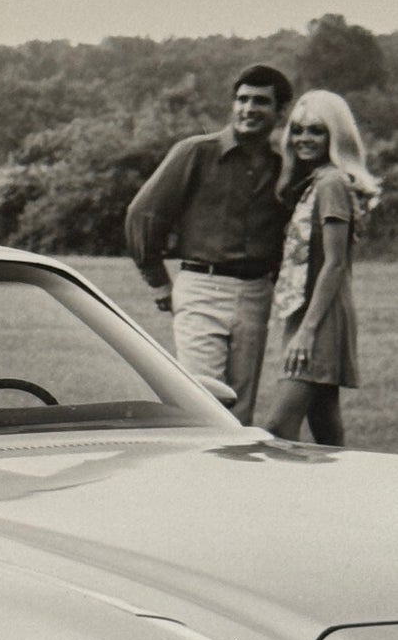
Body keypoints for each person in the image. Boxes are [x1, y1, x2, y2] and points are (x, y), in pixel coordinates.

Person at [125, 64, 293, 424]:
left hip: (256, 293)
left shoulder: (284, 164)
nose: (249, 109)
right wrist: (158, 282)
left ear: (280, 111)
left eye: (261, 101)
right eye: (243, 99)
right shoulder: (195, 152)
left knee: (241, 408)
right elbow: (143, 214)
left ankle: (235, 463)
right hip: (202, 286)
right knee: (203, 400)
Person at [264, 90, 380, 445]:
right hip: (308, 313)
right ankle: (344, 483)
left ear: (335, 134)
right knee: (326, 428)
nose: (304, 139)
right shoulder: (315, 182)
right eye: (298, 130)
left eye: (316, 130)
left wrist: (307, 332)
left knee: (278, 427)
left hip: (321, 318)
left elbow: (335, 263)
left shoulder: (331, 183)